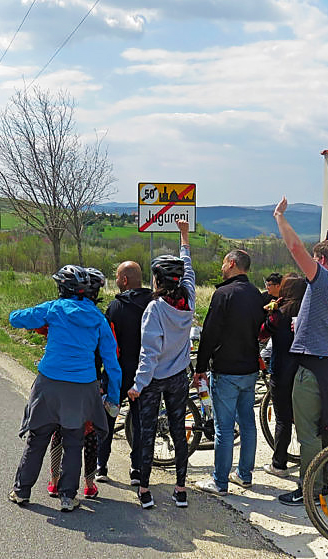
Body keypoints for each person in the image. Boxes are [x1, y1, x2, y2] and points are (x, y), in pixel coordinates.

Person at [8, 265, 121, 512]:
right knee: (74, 441)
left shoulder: (54, 309)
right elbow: (112, 364)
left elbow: (15, 318)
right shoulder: (98, 319)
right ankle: (68, 497)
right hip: (82, 387)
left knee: (37, 439)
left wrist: (41, 318)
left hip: (49, 383)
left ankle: (21, 491)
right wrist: (113, 397)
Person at [272, 198, 328, 506]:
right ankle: (324, 483)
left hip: (313, 367)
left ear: (320, 260)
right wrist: (322, 326)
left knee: (308, 433)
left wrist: (280, 217)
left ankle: (309, 489)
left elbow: (295, 248)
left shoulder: (322, 280)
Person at [128, 218, 194, 509]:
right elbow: (188, 268)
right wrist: (184, 237)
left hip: (154, 380)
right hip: (179, 377)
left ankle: (145, 489)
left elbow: (150, 353)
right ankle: (180, 489)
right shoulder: (188, 300)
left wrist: (138, 385)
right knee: (178, 431)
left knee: (148, 432)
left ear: (158, 281)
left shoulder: (154, 309)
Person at [194, 249, 269, 495]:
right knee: (247, 423)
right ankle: (244, 475)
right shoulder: (256, 294)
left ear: (233, 263)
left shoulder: (223, 294)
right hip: (249, 368)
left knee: (224, 429)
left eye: (224, 263)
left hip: (226, 368)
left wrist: (200, 367)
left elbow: (209, 333)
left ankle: (219, 481)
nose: (222, 267)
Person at [45, 267, 108, 501]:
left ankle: (54, 482)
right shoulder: (100, 318)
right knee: (89, 435)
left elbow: (45, 330)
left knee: (59, 431)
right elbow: (113, 355)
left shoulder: (62, 311)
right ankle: (89, 484)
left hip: (60, 380)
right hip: (90, 383)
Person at [97, 260, 153, 485]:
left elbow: (105, 343)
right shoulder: (153, 304)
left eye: (118, 277)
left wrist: (100, 373)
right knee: (140, 422)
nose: (117, 280)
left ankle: (101, 465)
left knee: (108, 418)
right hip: (144, 373)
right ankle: (137, 469)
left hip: (117, 372)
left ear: (125, 280)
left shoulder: (115, 307)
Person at [258, 275, 305, 477]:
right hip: (304, 370)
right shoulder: (308, 312)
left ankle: (279, 464)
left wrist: (268, 311)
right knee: (305, 416)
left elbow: (262, 334)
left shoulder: (279, 313)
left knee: (282, 419)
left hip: (281, 369)